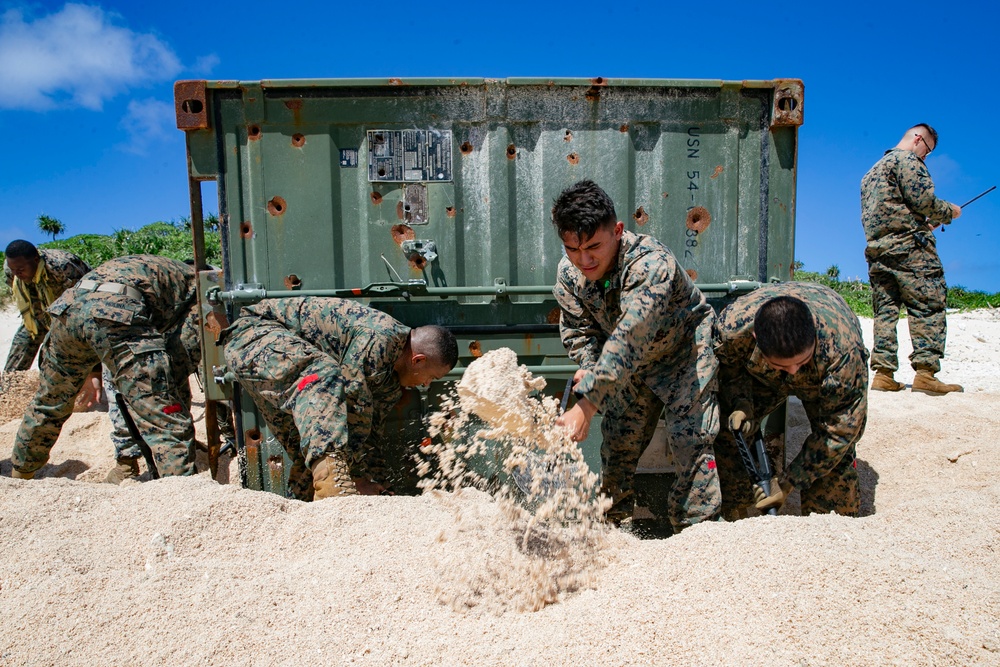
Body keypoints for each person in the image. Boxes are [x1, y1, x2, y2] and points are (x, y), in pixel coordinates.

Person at [550, 180, 721, 531]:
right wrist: (591, 366)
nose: (584, 260)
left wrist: (587, 404)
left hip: (684, 352)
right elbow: (579, 331)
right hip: (628, 365)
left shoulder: (649, 264)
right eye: (572, 249)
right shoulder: (570, 275)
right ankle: (614, 529)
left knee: (692, 441)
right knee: (618, 441)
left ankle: (699, 537)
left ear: (617, 231)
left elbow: (630, 335)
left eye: (594, 247)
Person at [221, 297, 458, 501]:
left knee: (311, 450)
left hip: (281, 363)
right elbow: (353, 409)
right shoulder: (380, 338)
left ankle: (304, 512)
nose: (426, 385)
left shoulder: (390, 383)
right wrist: (356, 480)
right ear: (417, 360)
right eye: (431, 377)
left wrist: (379, 485)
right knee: (323, 375)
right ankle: (332, 495)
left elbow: (368, 434)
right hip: (253, 336)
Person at [9, 255, 202, 480]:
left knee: (49, 402)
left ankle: (20, 474)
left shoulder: (145, 266)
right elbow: (180, 358)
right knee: (161, 411)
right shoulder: (196, 287)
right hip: (116, 312)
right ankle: (181, 490)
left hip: (67, 310)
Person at [713, 283, 868, 517]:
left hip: (823, 374)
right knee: (730, 430)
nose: (793, 371)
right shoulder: (733, 329)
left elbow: (840, 431)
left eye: (801, 362)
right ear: (755, 338)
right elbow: (730, 367)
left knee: (833, 458)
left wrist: (788, 481)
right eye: (782, 365)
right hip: (763, 377)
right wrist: (741, 402)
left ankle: (831, 534)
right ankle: (735, 513)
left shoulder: (843, 353)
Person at [861, 123, 963, 395]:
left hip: (879, 250)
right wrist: (948, 212)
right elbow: (924, 201)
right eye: (927, 150)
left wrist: (918, 222)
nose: (926, 157)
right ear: (919, 139)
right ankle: (926, 374)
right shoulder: (907, 161)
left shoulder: (871, 173)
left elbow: (890, 212)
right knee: (928, 304)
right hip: (911, 249)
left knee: (885, 311)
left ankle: (883, 374)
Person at [3, 240, 90, 372]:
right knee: (22, 343)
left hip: (71, 312)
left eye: (20, 270)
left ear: (36, 259)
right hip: (39, 311)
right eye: (13, 270)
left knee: (55, 356)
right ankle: (8, 388)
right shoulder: (11, 269)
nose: (16, 275)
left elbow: (84, 299)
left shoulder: (63, 267)